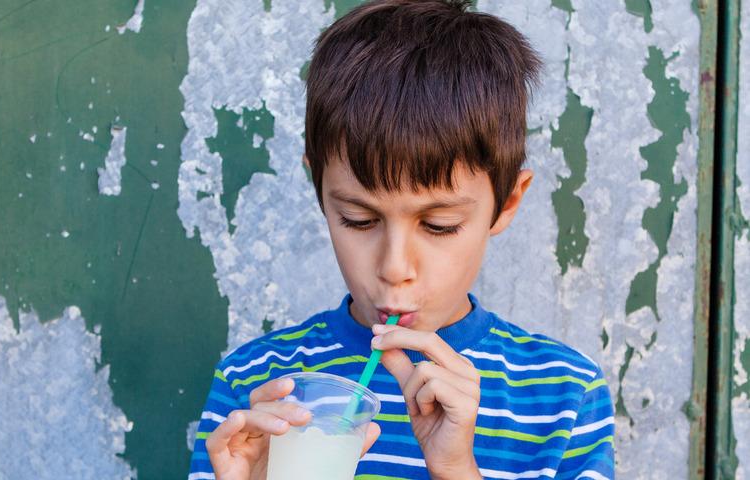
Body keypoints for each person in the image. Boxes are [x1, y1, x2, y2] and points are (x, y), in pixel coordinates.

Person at [188, 0, 615, 478]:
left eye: (438, 226)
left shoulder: (563, 396)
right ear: (321, 194)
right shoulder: (254, 384)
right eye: (358, 219)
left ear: (507, 203)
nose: (394, 267)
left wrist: (455, 467)